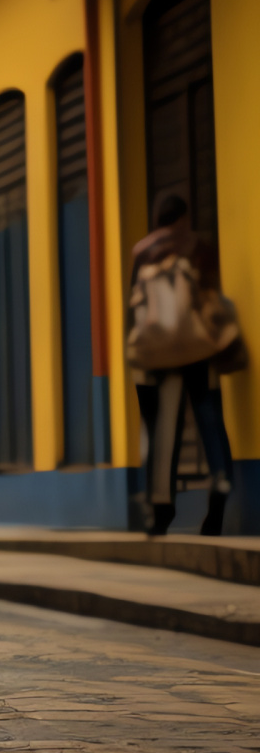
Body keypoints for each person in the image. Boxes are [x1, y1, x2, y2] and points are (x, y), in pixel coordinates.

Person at [127, 195, 241, 536]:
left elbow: (133, 311)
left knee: (165, 429)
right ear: (184, 218)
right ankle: (219, 483)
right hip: (198, 350)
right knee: (209, 418)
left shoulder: (142, 252)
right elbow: (213, 301)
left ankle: (162, 508)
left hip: (161, 357)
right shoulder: (199, 247)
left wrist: (139, 363)